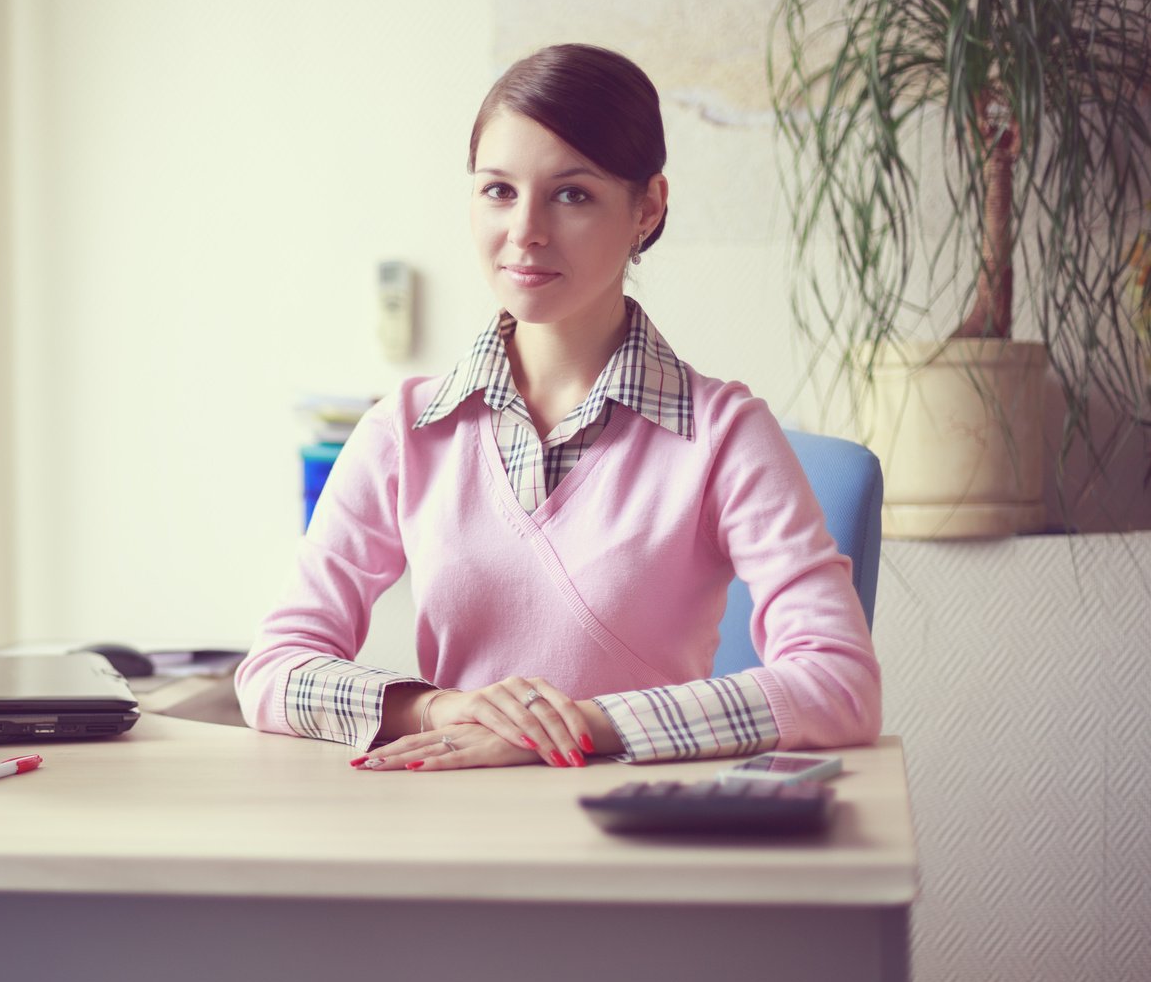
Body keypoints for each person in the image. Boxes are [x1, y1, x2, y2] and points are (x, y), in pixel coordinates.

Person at [234, 44, 880, 772]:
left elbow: (840, 683)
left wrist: (576, 724)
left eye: (571, 194)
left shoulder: (725, 435)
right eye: (498, 191)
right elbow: (273, 669)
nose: (525, 231)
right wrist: (440, 706)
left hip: (637, 836)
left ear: (649, 207)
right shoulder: (402, 431)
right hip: (451, 826)